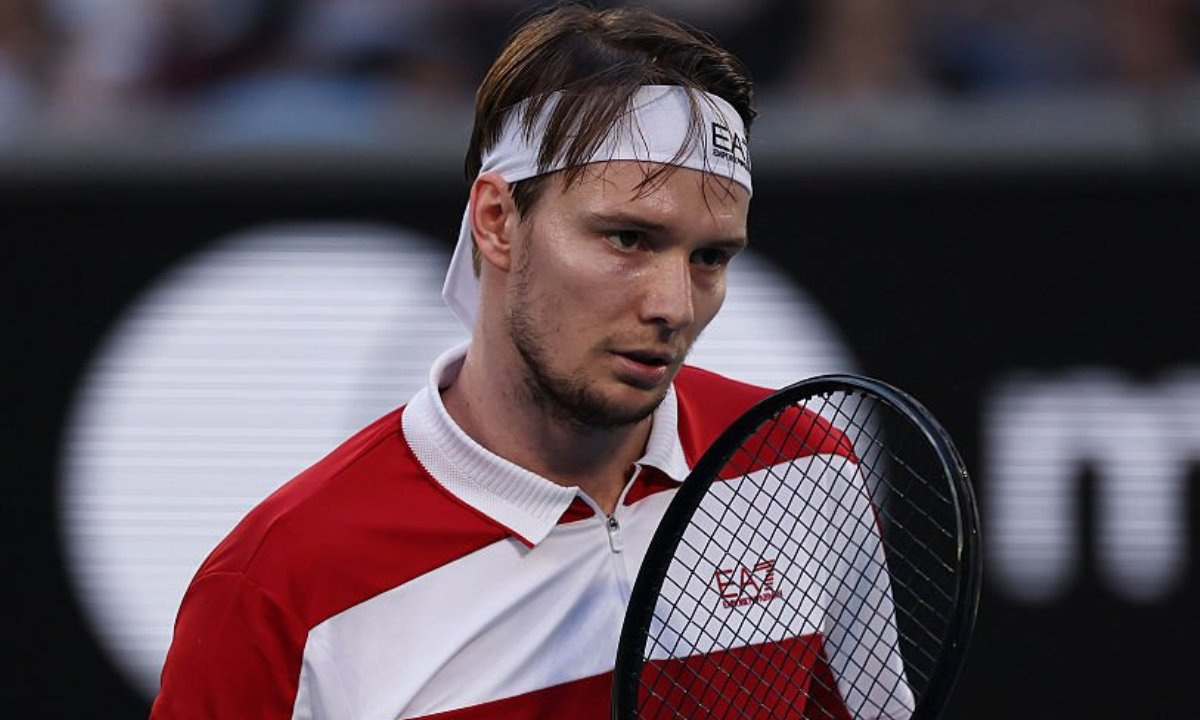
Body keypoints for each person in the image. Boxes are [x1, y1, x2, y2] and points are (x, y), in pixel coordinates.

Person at [151, 4, 910, 718]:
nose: (674, 305)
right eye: (627, 239)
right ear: (497, 221)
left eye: (710, 257)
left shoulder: (803, 466)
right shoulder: (274, 587)